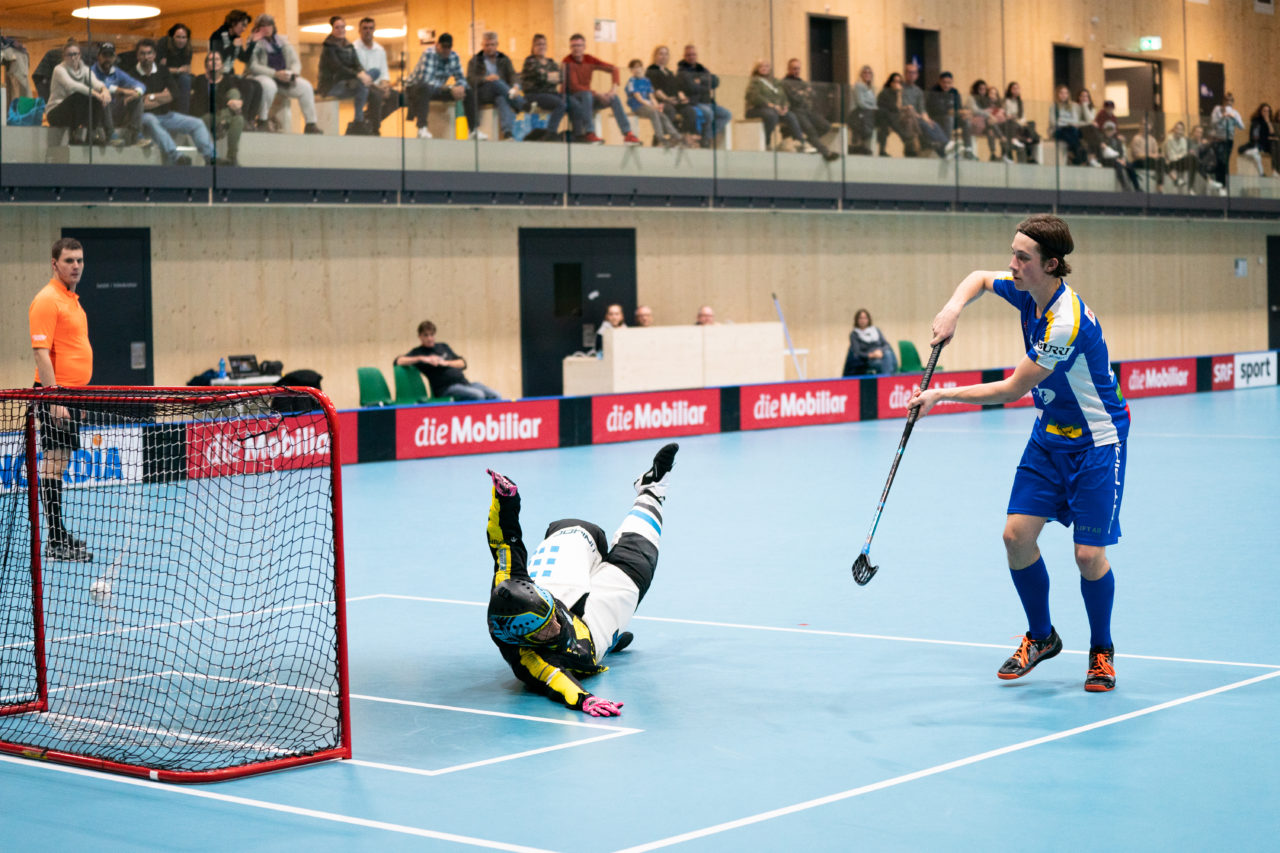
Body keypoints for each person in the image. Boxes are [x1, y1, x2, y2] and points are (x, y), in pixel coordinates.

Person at [908, 214, 1128, 693]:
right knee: (1016, 537)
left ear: (1050, 265)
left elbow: (1011, 389)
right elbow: (978, 279)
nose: (1012, 264)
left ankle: (1102, 651)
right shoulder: (1027, 289)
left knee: (1089, 556)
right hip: (1050, 436)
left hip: (1096, 441)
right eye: (1012, 253)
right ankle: (1042, 636)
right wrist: (952, 310)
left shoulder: (1063, 323)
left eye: (1022, 258)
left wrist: (941, 396)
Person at [482, 443, 678, 714]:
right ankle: (653, 488)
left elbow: (504, 541)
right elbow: (557, 682)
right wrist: (587, 699)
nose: (554, 625)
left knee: (575, 529)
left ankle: (572, 582)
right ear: (527, 639)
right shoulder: (530, 660)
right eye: (545, 628)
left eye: (548, 616)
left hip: (558, 595)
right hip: (589, 636)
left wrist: (506, 498)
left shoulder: (510, 583)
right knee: (637, 562)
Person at [30, 237, 96, 563]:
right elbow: (41, 353)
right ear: (54, 263)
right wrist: (55, 398)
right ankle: (55, 542)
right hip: (55, 395)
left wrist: (78, 399)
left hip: (72, 396)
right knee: (54, 465)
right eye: (69, 260)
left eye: (80, 260)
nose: (76, 266)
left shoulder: (73, 301)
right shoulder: (47, 300)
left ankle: (58, 535)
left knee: (61, 462)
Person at [133, 39, 217, 165]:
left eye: (149, 53)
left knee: (197, 123)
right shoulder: (132, 74)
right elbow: (139, 104)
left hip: (166, 115)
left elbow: (174, 94)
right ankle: (176, 156)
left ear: (154, 55)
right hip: (144, 117)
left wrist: (150, 97)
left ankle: (211, 158)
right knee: (151, 119)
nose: (146, 57)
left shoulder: (162, 71)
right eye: (142, 53)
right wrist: (162, 96)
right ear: (137, 56)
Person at [247, 14, 322, 134]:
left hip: (283, 77)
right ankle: (262, 120)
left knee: (306, 86)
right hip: (262, 76)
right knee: (269, 85)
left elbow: (295, 61)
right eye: (263, 26)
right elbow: (253, 66)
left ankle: (311, 123)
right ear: (257, 28)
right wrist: (275, 73)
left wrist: (292, 73)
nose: (266, 29)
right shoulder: (253, 43)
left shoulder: (282, 42)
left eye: (269, 25)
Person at [563, 33, 641, 145]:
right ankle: (590, 133)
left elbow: (614, 68)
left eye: (579, 45)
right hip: (572, 98)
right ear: (570, 48)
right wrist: (598, 94)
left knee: (613, 98)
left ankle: (627, 133)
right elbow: (575, 86)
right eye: (574, 46)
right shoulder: (567, 61)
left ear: (584, 47)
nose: (576, 48)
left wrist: (613, 90)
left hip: (588, 98)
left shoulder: (589, 59)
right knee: (587, 94)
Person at [394, 320, 501, 400]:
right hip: (446, 389)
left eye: (431, 335)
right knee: (478, 395)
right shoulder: (418, 352)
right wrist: (423, 358)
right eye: (426, 335)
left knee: (496, 395)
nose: (429, 338)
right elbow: (398, 361)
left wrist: (444, 363)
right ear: (420, 337)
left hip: (465, 384)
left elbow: (462, 363)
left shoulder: (443, 346)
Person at [319, 16, 383, 136]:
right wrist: (359, 75)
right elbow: (338, 68)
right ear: (332, 29)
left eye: (342, 27)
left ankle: (371, 126)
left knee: (375, 72)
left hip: (351, 82)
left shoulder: (349, 46)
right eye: (337, 27)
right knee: (362, 86)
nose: (340, 30)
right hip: (333, 85)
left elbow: (357, 64)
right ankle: (359, 121)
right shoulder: (328, 47)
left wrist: (363, 74)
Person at [44, 40, 111, 145]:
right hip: (56, 112)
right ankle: (74, 135)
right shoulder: (59, 69)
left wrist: (104, 90)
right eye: (69, 55)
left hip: (74, 112)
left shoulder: (84, 69)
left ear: (80, 55)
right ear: (64, 57)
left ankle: (92, 134)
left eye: (75, 54)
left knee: (95, 99)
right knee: (78, 96)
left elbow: (96, 82)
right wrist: (95, 94)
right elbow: (72, 86)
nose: (73, 57)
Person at [465, 30, 526, 141]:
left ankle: (507, 133)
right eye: (487, 45)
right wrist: (485, 79)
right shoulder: (475, 60)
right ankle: (520, 103)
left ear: (497, 45)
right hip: (482, 92)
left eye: (492, 44)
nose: (490, 47)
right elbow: (470, 80)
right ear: (482, 45)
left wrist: (516, 86)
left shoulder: (504, 59)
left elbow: (513, 74)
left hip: (501, 92)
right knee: (495, 82)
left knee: (502, 98)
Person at [406, 32, 467, 140]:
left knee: (467, 91)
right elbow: (426, 80)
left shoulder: (454, 56)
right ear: (437, 45)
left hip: (437, 88)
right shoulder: (429, 53)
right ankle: (422, 128)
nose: (446, 50)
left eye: (449, 47)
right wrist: (450, 88)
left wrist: (460, 87)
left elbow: (461, 77)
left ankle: (473, 129)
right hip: (416, 87)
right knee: (425, 88)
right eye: (444, 47)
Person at [209, 10, 263, 129]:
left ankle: (250, 119)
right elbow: (217, 57)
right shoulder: (217, 35)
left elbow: (244, 58)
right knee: (247, 87)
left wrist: (252, 44)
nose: (244, 29)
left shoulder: (236, 37)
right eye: (242, 25)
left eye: (245, 26)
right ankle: (241, 119)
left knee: (257, 86)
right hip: (219, 75)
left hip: (230, 75)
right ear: (233, 23)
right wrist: (232, 45)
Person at [189, 51, 243, 165]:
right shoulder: (200, 80)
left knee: (239, 117)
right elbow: (207, 99)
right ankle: (225, 121)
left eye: (217, 59)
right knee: (232, 109)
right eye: (210, 59)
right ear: (206, 65)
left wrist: (235, 103)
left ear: (222, 64)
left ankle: (231, 157)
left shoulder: (228, 79)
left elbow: (235, 96)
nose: (214, 62)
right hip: (206, 116)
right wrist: (228, 102)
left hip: (222, 117)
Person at [90, 42, 145, 146]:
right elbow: (100, 87)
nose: (107, 59)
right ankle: (111, 135)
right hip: (98, 114)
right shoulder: (91, 71)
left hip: (115, 111)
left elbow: (140, 85)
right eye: (104, 55)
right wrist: (122, 90)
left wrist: (136, 93)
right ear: (98, 57)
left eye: (110, 56)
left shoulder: (117, 72)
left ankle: (136, 135)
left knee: (137, 98)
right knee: (104, 97)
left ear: (114, 58)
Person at [519, 34, 573, 140]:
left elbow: (561, 77)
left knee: (573, 103)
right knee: (560, 105)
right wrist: (550, 76)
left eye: (543, 44)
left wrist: (547, 75)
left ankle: (578, 134)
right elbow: (540, 76)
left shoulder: (551, 62)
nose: (541, 46)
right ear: (533, 47)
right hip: (534, 94)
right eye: (538, 44)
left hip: (551, 93)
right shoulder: (530, 61)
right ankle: (551, 133)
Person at [780, 58, 838, 157]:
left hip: (807, 110)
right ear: (788, 69)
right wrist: (804, 93)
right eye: (794, 69)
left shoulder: (801, 82)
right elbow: (795, 98)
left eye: (798, 69)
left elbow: (812, 94)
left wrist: (803, 93)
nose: (796, 71)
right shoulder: (785, 83)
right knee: (810, 130)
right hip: (795, 110)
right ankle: (825, 152)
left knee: (826, 126)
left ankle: (808, 141)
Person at [745, 59, 804, 153]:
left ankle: (800, 142)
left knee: (790, 115)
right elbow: (754, 97)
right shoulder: (755, 81)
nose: (764, 68)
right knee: (771, 115)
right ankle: (766, 142)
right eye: (761, 66)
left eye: (767, 66)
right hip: (756, 109)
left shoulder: (775, 82)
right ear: (757, 68)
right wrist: (771, 105)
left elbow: (782, 96)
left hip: (774, 109)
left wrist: (784, 106)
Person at [677, 44, 730, 149]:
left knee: (726, 114)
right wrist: (704, 83)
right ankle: (704, 139)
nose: (691, 57)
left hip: (708, 102)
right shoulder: (682, 71)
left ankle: (707, 136)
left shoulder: (701, 68)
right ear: (684, 56)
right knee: (708, 113)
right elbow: (692, 87)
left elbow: (715, 81)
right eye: (689, 55)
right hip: (695, 102)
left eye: (693, 54)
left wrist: (700, 81)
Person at [353, 17, 398, 135]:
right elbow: (360, 74)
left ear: (374, 30)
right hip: (363, 84)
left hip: (378, 85)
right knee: (376, 95)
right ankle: (375, 129)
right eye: (365, 28)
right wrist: (379, 89)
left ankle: (368, 120)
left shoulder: (380, 50)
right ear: (359, 30)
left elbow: (384, 73)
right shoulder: (354, 49)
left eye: (370, 28)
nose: (368, 31)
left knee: (397, 97)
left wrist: (385, 87)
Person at [646, 46, 697, 147]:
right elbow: (655, 90)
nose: (663, 56)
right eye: (661, 54)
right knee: (670, 110)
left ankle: (681, 135)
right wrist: (666, 99)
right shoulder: (651, 70)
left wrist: (682, 97)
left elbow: (677, 88)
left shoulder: (669, 72)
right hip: (660, 101)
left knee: (690, 111)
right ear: (655, 56)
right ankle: (659, 137)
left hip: (673, 100)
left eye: (666, 54)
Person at [627, 59, 679, 147]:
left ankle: (676, 135)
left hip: (648, 106)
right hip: (638, 107)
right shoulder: (632, 81)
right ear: (631, 70)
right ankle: (660, 138)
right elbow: (638, 97)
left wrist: (656, 105)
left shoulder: (646, 81)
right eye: (634, 67)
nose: (637, 69)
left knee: (662, 115)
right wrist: (651, 106)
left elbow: (651, 96)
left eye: (639, 67)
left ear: (642, 68)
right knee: (654, 112)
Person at [902, 62, 949, 156]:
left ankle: (945, 145)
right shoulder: (901, 88)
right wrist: (921, 117)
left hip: (918, 117)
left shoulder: (918, 91)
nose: (911, 74)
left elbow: (922, 109)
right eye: (909, 72)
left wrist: (927, 119)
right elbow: (904, 106)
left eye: (914, 72)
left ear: (917, 75)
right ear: (905, 73)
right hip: (906, 115)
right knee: (922, 123)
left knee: (933, 124)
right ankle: (941, 146)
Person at [926, 71, 974, 158]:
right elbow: (937, 109)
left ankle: (968, 149)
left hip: (953, 117)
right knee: (949, 118)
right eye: (944, 82)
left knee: (965, 121)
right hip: (937, 118)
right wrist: (953, 111)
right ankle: (947, 146)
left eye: (949, 83)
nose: (946, 85)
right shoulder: (934, 91)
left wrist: (964, 114)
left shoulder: (955, 92)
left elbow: (959, 107)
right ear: (940, 81)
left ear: (952, 83)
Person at [841, 308, 898, 376]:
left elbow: (886, 344)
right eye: (860, 318)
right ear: (857, 320)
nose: (863, 320)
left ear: (868, 319)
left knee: (888, 354)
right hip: (867, 360)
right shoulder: (854, 334)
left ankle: (886, 380)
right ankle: (887, 381)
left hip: (881, 355)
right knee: (883, 363)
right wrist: (872, 355)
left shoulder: (876, 330)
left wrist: (880, 351)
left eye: (865, 318)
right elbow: (858, 353)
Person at [876, 72, 918, 157]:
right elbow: (894, 107)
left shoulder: (898, 93)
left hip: (893, 118)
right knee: (889, 118)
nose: (897, 84)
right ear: (890, 82)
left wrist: (906, 107)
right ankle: (906, 139)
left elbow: (898, 108)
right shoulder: (885, 92)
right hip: (884, 116)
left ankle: (909, 145)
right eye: (895, 81)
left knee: (909, 118)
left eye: (899, 82)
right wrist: (899, 94)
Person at [156, 23, 194, 114]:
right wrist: (178, 70)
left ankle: (184, 115)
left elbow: (186, 69)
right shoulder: (164, 43)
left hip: (179, 78)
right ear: (172, 37)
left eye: (184, 37)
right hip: (162, 77)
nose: (181, 40)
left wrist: (172, 69)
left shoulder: (188, 49)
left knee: (186, 79)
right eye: (178, 37)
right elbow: (160, 69)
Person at [1002, 82, 1039, 162]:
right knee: (1020, 127)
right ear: (1010, 90)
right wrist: (1016, 118)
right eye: (1014, 88)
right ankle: (1028, 142)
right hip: (1012, 123)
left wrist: (1023, 122)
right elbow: (1008, 115)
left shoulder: (1020, 102)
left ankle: (1029, 139)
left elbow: (1022, 116)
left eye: (1018, 88)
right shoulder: (1007, 101)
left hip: (1020, 122)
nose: (1016, 90)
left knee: (1032, 123)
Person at [1239, 103, 1276, 177]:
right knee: (1246, 151)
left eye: (1268, 111)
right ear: (1260, 111)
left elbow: (1272, 133)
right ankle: (1261, 173)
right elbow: (1254, 135)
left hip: (1265, 145)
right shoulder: (1256, 121)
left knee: (1255, 154)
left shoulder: (1270, 122)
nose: (1266, 113)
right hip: (1256, 144)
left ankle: (1264, 172)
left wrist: (1268, 122)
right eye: (1264, 111)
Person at [846, 64, 877, 155]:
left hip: (868, 112)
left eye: (869, 73)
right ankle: (859, 144)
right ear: (861, 74)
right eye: (865, 72)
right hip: (857, 113)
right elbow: (861, 103)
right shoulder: (858, 86)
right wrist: (871, 107)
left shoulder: (871, 88)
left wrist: (872, 107)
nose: (867, 74)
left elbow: (874, 103)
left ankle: (864, 144)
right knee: (866, 116)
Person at [1162, 120, 1199, 189]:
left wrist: (1182, 156)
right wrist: (1180, 156)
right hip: (1171, 163)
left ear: (1183, 131)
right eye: (1177, 129)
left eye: (1181, 129)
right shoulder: (1169, 139)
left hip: (1179, 161)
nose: (1179, 131)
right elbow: (1171, 156)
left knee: (1193, 158)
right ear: (1174, 129)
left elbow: (1184, 153)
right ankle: (1177, 180)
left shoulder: (1183, 140)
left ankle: (1191, 187)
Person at [1, 31, 32, 102]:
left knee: (18, 93)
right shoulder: (14, 50)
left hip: (18, 73)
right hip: (18, 73)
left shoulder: (15, 50)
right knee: (18, 93)